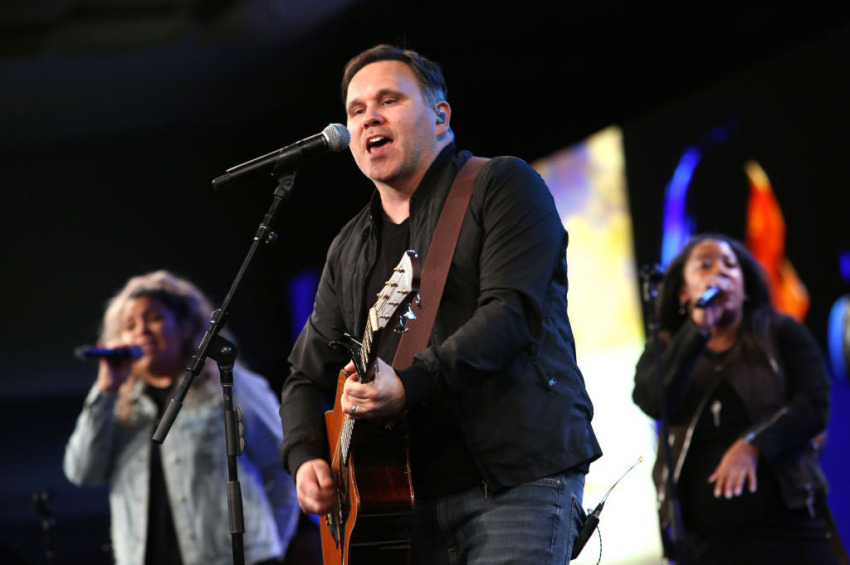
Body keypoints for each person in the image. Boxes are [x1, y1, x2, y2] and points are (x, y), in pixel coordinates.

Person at [279, 44, 602, 564]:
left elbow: (511, 314)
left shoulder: (502, 185)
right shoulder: (348, 247)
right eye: (356, 110)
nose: (369, 119)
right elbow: (303, 377)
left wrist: (409, 384)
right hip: (401, 507)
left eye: (389, 100)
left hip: (514, 480)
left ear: (440, 115)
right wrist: (305, 458)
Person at [632, 234, 847, 565]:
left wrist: (753, 445)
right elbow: (653, 401)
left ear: (745, 289)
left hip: (790, 530)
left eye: (731, 266)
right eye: (706, 264)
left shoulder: (780, 333)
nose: (720, 271)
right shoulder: (665, 349)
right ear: (684, 293)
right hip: (703, 545)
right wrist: (698, 331)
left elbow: (814, 404)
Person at [63, 270, 301, 565]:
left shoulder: (229, 385)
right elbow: (82, 472)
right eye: (130, 326)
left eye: (154, 318)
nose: (142, 331)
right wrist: (105, 389)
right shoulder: (115, 407)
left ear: (185, 327)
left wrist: (267, 547)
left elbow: (284, 468)